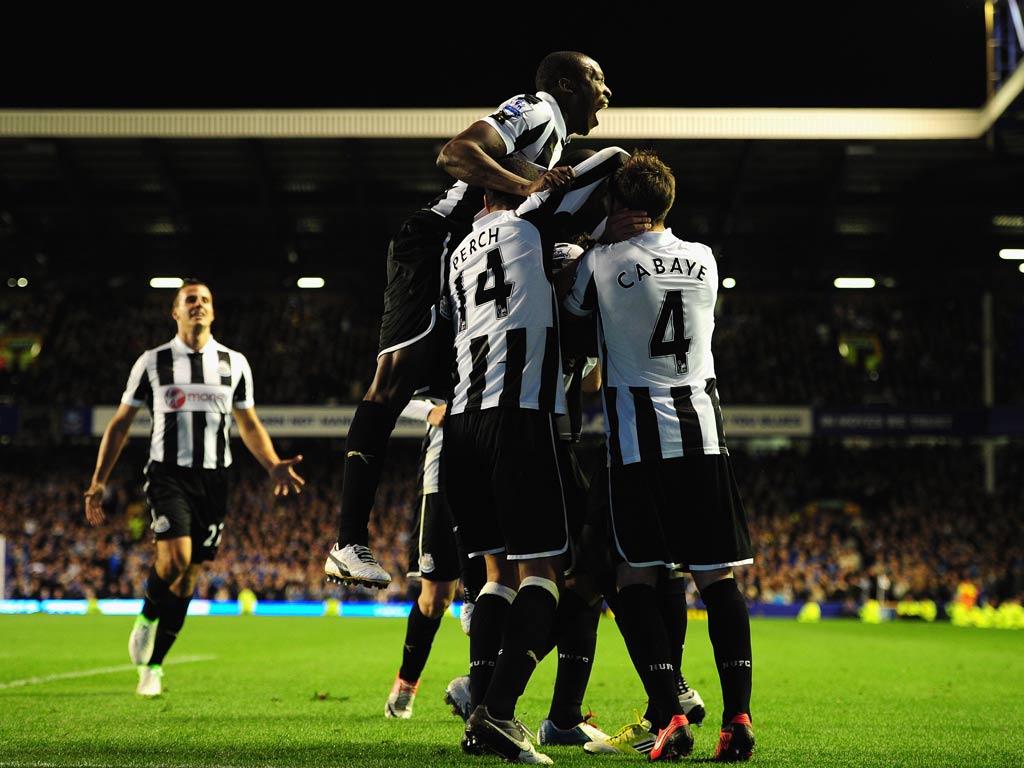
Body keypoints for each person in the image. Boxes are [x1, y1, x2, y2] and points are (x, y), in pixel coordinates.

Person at [323, 51, 613, 589]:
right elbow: (456, 154)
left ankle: (481, 590)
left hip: (467, 265)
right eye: (599, 80)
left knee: (462, 402)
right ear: (568, 84)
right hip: (435, 242)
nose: (608, 92)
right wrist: (531, 184)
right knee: (392, 382)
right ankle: (347, 540)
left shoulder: (551, 142)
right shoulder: (538, 111)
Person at [563, 151, 755, 762]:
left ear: (618, 206)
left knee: (635, 577)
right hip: (704, 436)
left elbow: (569, 307)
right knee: (717, 579)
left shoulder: (600, 260)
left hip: (637, 447)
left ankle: (670, 714)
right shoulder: (704, 258)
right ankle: (738, 718)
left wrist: (595, 235)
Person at [442, 148, 632, 765]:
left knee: (498, 575)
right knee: (551, 574)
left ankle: (485, 702)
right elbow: (612, 159)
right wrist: (574, 196)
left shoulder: (458, 255)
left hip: (462, 426)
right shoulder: (531, 226)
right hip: (521, 419)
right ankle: (499, 712)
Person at [84, 279, 305, 697]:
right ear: (176, 312)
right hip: (168, 473)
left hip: (215, 478)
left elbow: (249, 423)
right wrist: (98, 481)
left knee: (188, 580)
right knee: (174, 560)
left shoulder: (234, 362)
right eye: (190, 300)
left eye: (205, 300)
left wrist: (273, 464)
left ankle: (153, 667)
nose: (198, 305)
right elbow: (119, 424)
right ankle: (147, 618)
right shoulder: (153, 362)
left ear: (213, 312)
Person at [383, 395, 484, 718]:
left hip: (490, 475)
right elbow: (391, 394)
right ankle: (406, 683)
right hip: (439, 482)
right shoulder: (438, 350)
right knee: (436, 599)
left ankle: (480, 694)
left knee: (493, 588)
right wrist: (429, 411)